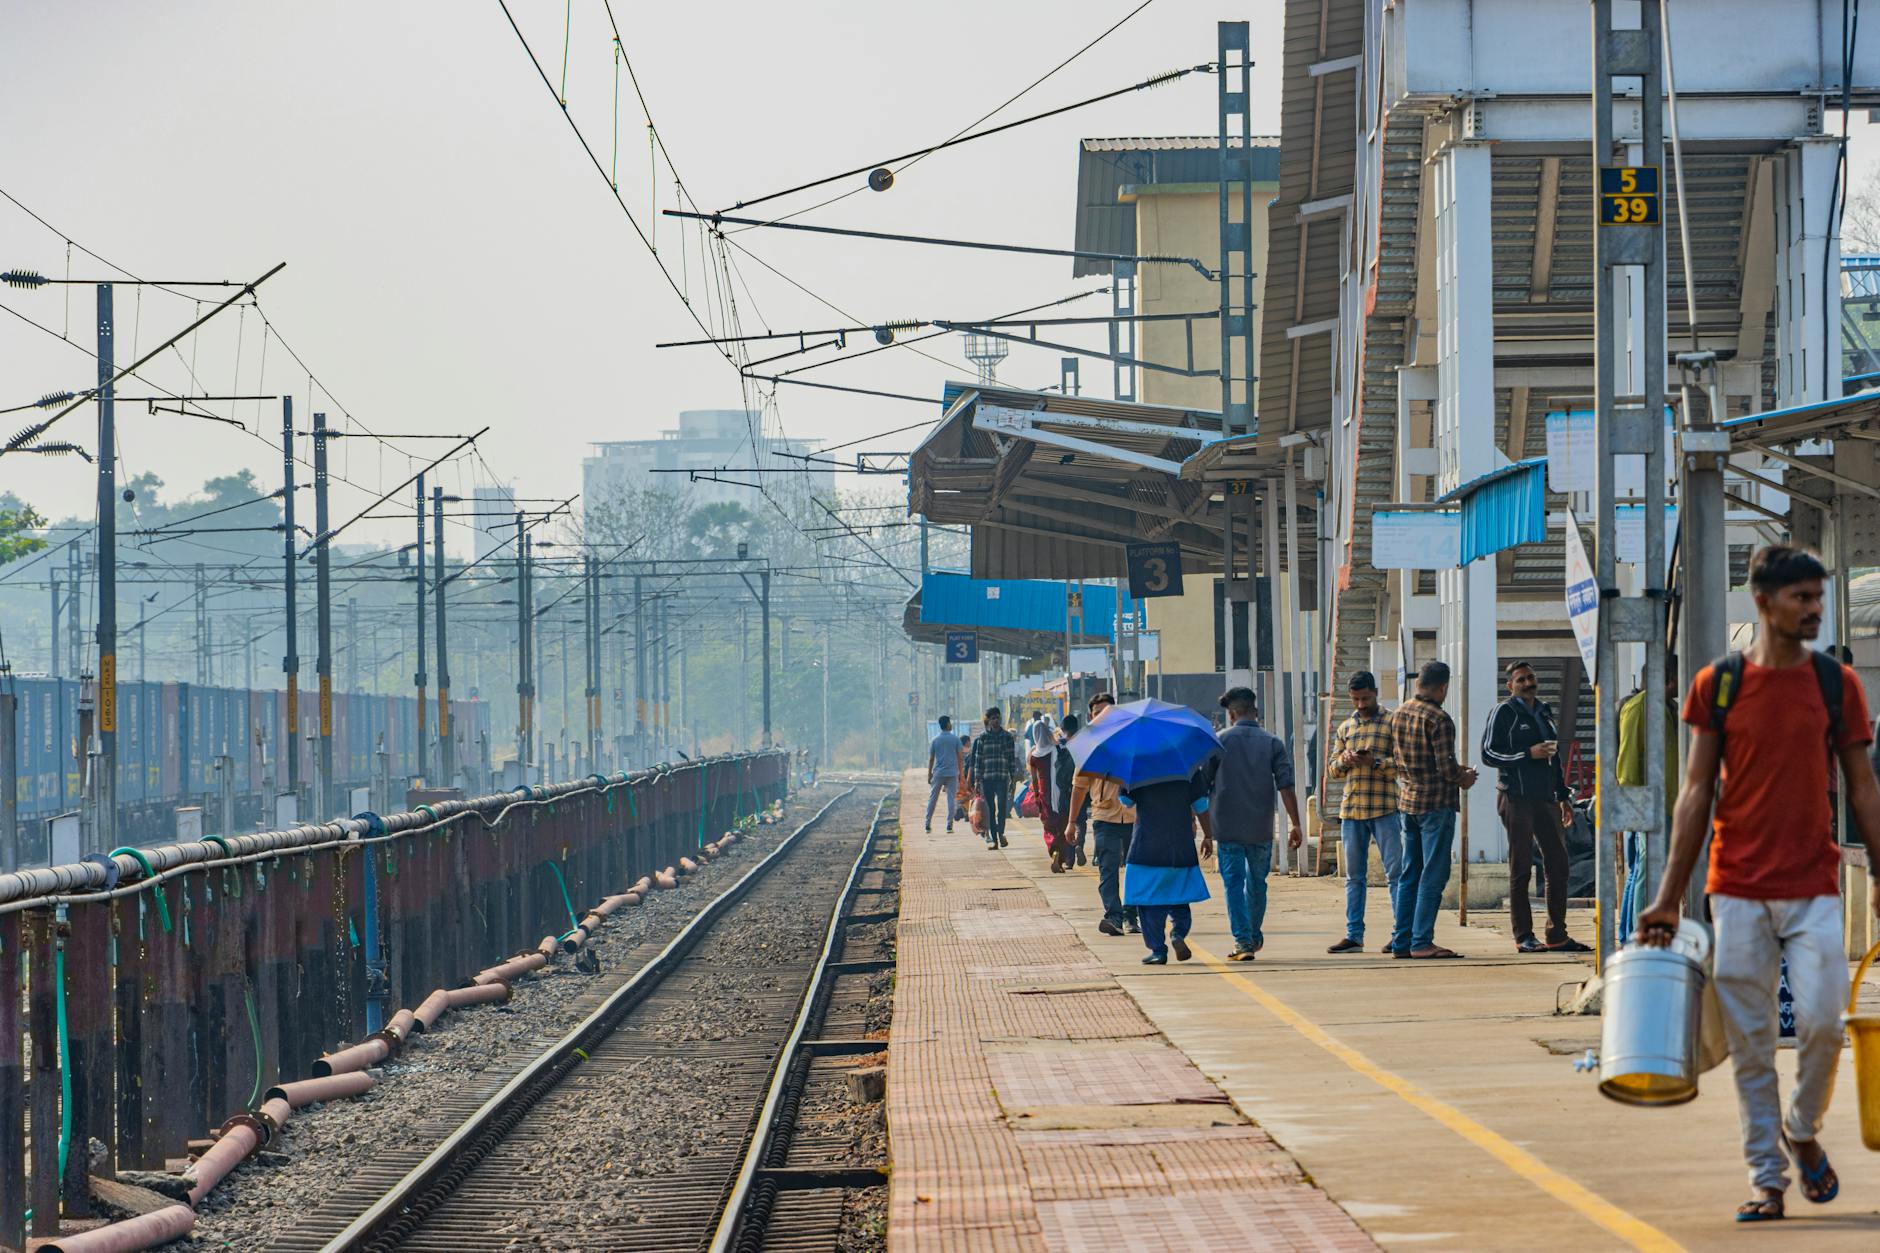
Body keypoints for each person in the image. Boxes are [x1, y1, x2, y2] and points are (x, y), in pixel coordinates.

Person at [1638, 546, 1880, 1223]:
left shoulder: (1837, 684)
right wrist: (1666, 896)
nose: (1814, 608)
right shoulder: (1717, 685)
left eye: (1818, 597)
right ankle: (1766, 1177)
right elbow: (1694, 795)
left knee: (1825, 1024)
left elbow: (1863, 785)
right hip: (1736, 888)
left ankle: (1801, 1129)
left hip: (1813, 886)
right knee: (1750, 1045)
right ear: (1764, 601)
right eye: (1802, 597)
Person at [1480, 661, 1590, 954]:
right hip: (1516, 797)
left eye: (1530, 678)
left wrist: (1563, 796)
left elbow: (1554, 758)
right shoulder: (1504, 712)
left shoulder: (1544, 711)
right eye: (1521, 680)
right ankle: (1524, 936)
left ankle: (1557, 934)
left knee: (1558, 864)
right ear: (1510, 686)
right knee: (1521, 868)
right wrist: (1527, 754)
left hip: (1546, 799)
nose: (1528, 683)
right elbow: (1489, 753)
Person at [1387, 660, 1479, 959]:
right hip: (1436, 805)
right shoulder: (1439, 719)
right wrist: (1464, 777)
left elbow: (1399, 759)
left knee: (1410, 874)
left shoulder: (1399, 713)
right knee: (1433, 875)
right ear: (1443, 687)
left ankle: (1401, 940)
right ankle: (1421, 941)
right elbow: (1446, 768)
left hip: (1408, 803)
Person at [1209, 687, 1302, 961]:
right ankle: (1253, 934)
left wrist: (1200, 825)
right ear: (1255, 711)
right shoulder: (1273, 743)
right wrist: (1296, 823)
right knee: (1257, 882)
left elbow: (1203, 785)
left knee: (1233, 884)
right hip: (1260, 825)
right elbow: (1286, 786)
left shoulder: (1218, 742)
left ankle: (1243, 941)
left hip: (1227, 827)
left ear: (1231, 713)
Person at [1325, 671, 1401, 954]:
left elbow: (1402, 765)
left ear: (1376, 692)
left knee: (1396, 873)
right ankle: (1353, 935)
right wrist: (1345, 760)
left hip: (1385, 808)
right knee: (1354, 877)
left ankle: (1400, 932)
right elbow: (1332, 770)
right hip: (1352, 810)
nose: (1360, 703)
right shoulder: (1345, 728)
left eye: (1365, 698)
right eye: (1355, 699)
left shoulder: (1392, 722)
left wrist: (1375, 762)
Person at [1122, 764, 1215, 965]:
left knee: (1148, 903)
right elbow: (1201, 805)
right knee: (1179, 897)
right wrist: (1208, 835)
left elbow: (1125, 801)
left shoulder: (1138, 767)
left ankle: (1158, 950)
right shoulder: (1188, 767)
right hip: (1179, 845)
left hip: (1146, 846)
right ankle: (1178, 933)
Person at [1616, 658, 1678, 942]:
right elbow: (1627, 768)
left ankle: (1631, 933)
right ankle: (1638, 935)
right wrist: (1635, 810)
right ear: (1666, 679)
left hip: (1669, 803)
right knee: (1646, 870)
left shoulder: (1669, 708)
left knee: (1651, 870)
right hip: (1647, 805)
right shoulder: (1639, 708)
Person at [1068, 693, 1138, 935]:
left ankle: (1132, 916)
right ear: (1091, 716)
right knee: (1108, 870)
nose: (1103, 716)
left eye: (1108, 711)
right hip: (1104, 817)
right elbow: (1079, 787)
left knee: (1135, 869)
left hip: (1134, 817)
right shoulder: (1088, 747)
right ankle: (1114, 917)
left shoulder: (1132, 741)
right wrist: (1070, 823)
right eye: (1098, 713)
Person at [1030, 715, 1082, 871]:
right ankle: (1060, 855)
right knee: (1063, 823)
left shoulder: (1033, 756)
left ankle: (1054, 852)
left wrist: (1037, 795)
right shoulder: (1058, 749)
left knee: (1049, 826)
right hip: (1061, 793)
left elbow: (1034, 780)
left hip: (1045, 794)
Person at [966, 705, 1021, 849]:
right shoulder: (983, 738)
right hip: (987, 778)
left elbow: (1011, 760)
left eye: (997, 717)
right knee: (990, 808)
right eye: (993, 718)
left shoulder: (1008, 737)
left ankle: (1001, 833)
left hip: (1002, 778)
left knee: (1002, 807)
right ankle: (995, 840)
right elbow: (978, 760)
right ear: (988, 721)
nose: (996, 720)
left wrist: (1013, 780)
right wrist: (977, 780)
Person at [926, 716, 964, 834]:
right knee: (951, 799)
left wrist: (929, 774)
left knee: (933, 798)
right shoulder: (956, 740)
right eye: (950, 722)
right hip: (952, 773)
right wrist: (961, 773)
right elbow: (960, 758)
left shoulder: (935, 740)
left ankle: (927, 823)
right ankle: (949, 825)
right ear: (947, 724)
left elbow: (931, 759)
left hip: (938, 773)